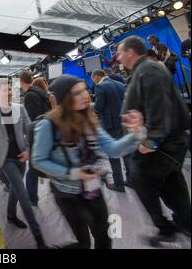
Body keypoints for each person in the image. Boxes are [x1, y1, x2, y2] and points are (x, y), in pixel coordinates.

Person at [31, 75, 145, 249]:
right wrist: (74, 173)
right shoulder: (48, 125)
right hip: (67, 193)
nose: (85, 95)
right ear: (65, 99)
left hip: (93, 189)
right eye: (77, 93)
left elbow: (113, 148)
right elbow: (38, 161)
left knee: (105, 238)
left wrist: (136, 134)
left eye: (85, 89)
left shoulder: (88, 119)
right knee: (83, 243)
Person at [118, 35, 191, 246]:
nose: (119, 57)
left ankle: (165, 228)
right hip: (169, 144)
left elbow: (160, 112)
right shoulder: (145, 70)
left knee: (140, 179)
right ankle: (186, 222)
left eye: (121, 52)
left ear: (131, 52)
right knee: (171, 182)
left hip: (162, 145)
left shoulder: (148, 70)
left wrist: (148, 143)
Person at [0, 78, 46, 248]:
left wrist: (28, 150)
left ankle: (11, 216)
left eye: (10, 89)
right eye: (5, 90)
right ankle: (39, 238)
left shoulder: (20, 109)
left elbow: (29, 131)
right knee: (22, 193)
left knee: (15, 190)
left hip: (21, 157)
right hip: (5, 160)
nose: (9, 92)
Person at [92, 69, 132, 192]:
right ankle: (132, 180)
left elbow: (99, 107)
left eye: (93, 79)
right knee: (126, 153)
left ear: (97, 77)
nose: (93, 82)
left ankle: (119, 184)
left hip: (110, 125)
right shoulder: (120, 84)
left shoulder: (100, 87)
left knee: (113, 155)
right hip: (123, 123)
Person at [20, 71, 51, 206]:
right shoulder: (41, 93)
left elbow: (31, 119)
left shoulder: (30, 96)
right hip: (46, 131)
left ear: (21, 82)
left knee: (32, 169)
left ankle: (32, 198)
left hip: (37, 134)